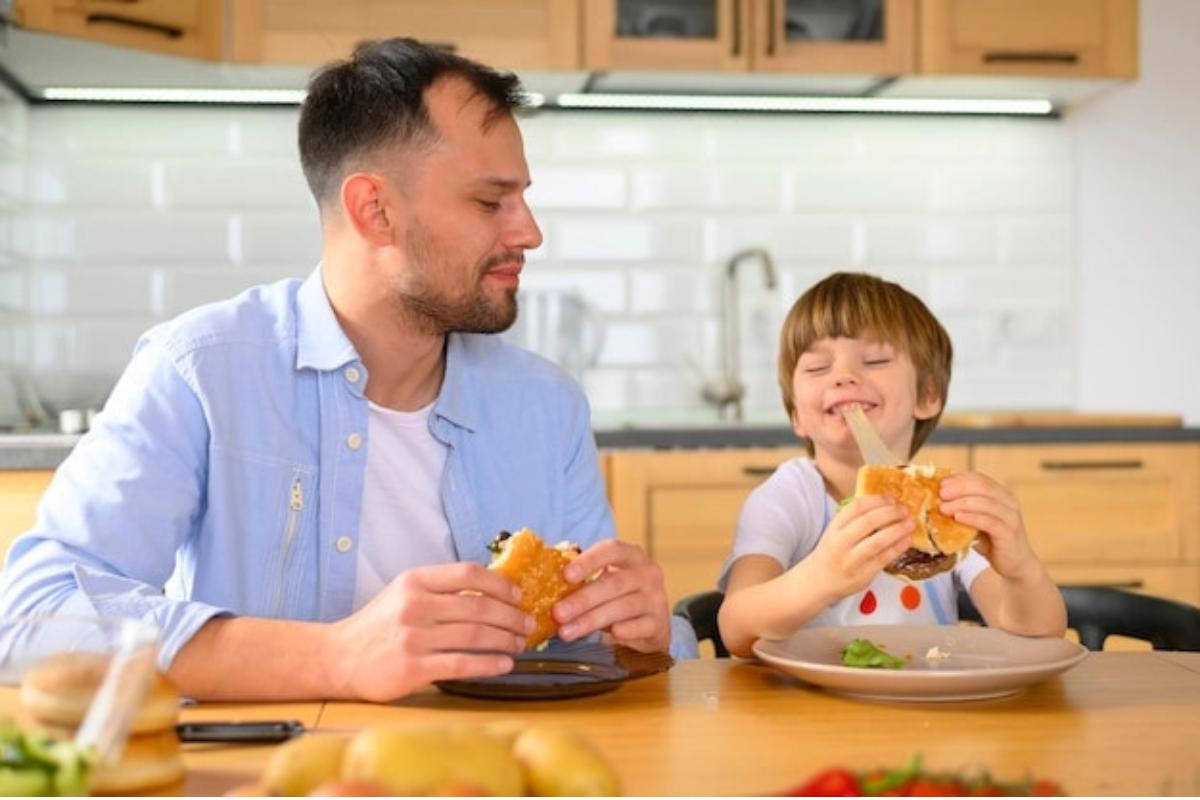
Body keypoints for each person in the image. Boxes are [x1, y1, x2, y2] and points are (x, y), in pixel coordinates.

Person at [0, 37, 687, 701]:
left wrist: (638, 634)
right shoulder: (201, 374)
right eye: (489, 201)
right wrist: (338, 656)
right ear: (375, 210)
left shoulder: (545, 405)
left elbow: (587, 656)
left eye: (522, 197)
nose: (528, 231)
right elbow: (30, 617)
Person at [716, 272, 1066, 657]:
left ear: (928, 394)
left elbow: (1039, 636)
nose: (844, 376)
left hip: (927, 709)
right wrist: (822, 577)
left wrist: (1020, 568)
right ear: (796, 414)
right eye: (818, 368)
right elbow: (736, 628)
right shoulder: (788, 498)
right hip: (810, 711)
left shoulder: (945, 508)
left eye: (875, 359)